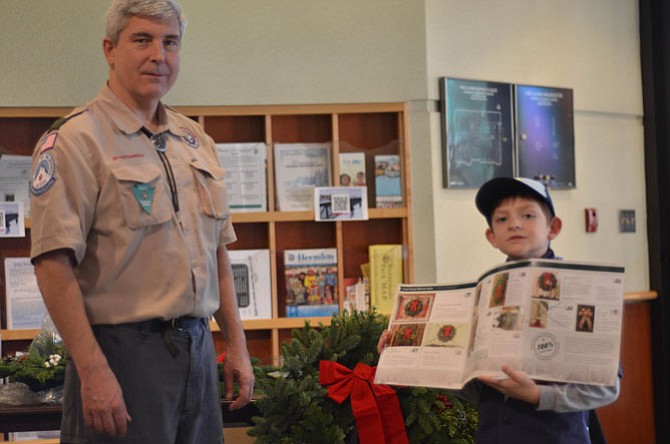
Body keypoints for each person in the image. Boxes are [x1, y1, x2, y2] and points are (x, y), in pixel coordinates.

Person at [29, 1, 254, 443]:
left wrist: (237, 345)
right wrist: (93, 371)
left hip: (198, 350)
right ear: (110, 49)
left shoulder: (195, 140)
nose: (159, 55)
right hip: (121, 357)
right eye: (142, 40)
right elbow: (52, 264)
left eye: (170, 42)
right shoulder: (75, 141)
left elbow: (216, 253)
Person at [378, 177, 619, 444]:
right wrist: (406, 354)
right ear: (491, 236)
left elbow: (606, 388)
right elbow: (476, 389)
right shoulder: (485, 296)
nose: (514, 224)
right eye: (502, 219)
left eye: (528, 215)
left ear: (553, 227)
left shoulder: (578, 288)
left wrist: (538, 395)